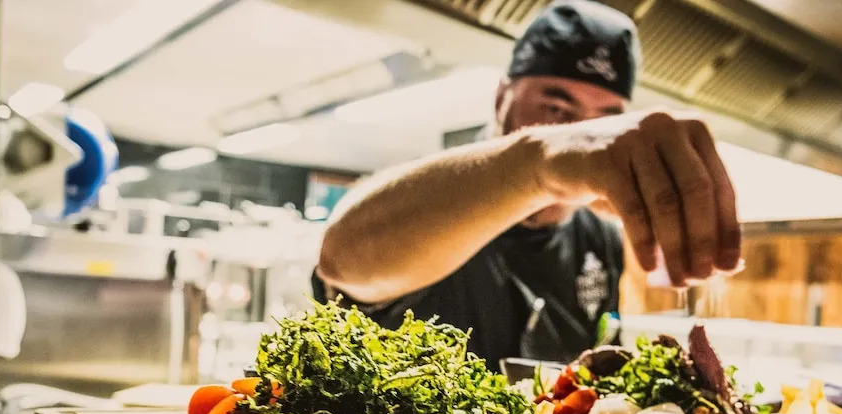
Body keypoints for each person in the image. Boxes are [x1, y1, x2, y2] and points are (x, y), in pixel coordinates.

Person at [314, 0, 740, 364]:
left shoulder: (600, 237)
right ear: (502, 98)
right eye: (556, 109)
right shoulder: (434, 198)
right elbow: (341, 259)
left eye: (604, 121)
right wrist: (541, 162)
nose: (582, 137)